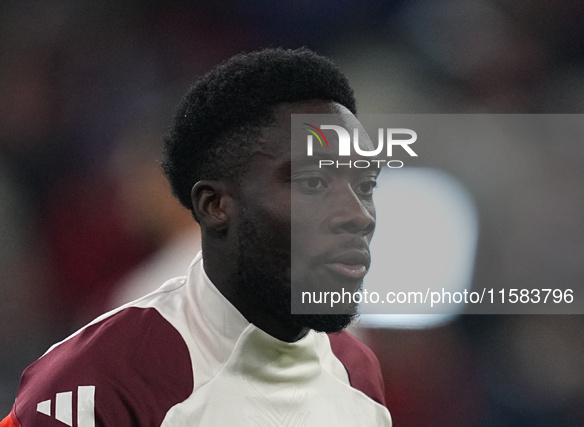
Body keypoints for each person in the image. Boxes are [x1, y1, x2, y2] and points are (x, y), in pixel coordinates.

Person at [1, 48, 392, 426]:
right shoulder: (96, 381)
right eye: (313, 183)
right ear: (214, 205)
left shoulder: (357, 373)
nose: (358, 216)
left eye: (365, 185)